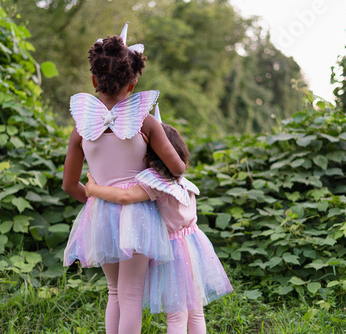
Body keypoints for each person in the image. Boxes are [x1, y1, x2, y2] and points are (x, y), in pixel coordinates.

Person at [62, 22, 186, 334]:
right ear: (132, 84)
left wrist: (95, 199)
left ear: (94, 79)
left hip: (99, 215)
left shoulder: (80, 128)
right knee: (131, 295)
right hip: (139, 217)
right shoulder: (145, 122)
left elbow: (68, 184)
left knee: (114, 293)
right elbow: (178, 168)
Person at [85, 122, 233, 334]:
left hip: (172, 251)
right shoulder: (180, 180)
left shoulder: (155, 182)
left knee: (176, 314)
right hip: (195, 245)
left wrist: (93, 188)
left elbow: (125, 196)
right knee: (195, 311)